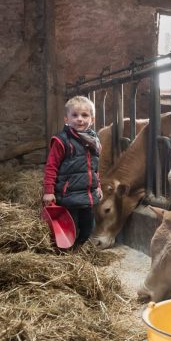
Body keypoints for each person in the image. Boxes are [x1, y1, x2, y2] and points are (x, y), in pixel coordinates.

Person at [43, 96, 102, 248]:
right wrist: (48, 191)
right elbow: (51, 166)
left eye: (84, 115)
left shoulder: (94, 141)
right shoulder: (62, 141)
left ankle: (79, 248)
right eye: (74, 115)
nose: (79, 119)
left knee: (88, 227)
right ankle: (66, 252)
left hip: (87, 195)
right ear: (66, 119)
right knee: (71, 227)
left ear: (92, 119)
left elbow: (94, 168)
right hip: (68, 195)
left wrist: (98, 186)